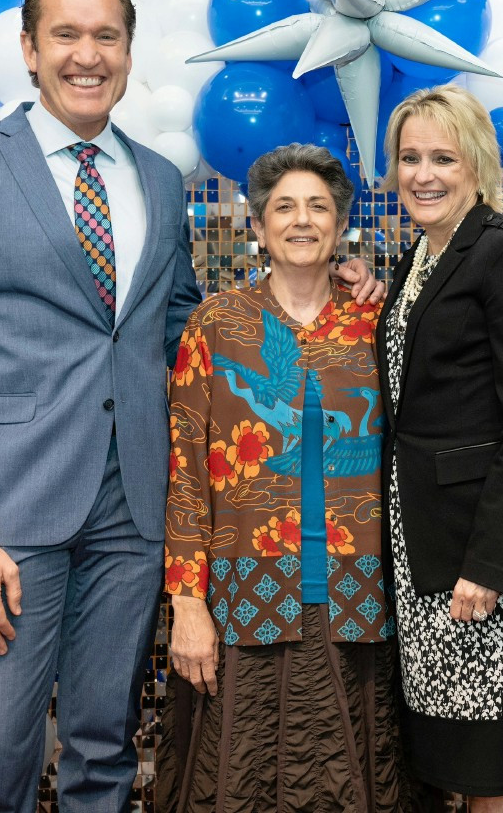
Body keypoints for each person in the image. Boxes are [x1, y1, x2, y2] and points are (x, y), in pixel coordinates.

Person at [0, 0, 378, 812]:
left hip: (133, 512)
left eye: (107, 36)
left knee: (105, 745)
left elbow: (186, 328)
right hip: (9, 516)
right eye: (67, 35)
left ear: (128, 49)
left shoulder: (157, 177)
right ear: (29, 49)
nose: (90, 54)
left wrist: (335, 280)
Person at [158, 144, 423, 812]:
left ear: (340, 226)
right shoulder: (216, 326)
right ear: (258, 225)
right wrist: (187, 604)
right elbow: (186, 469)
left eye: (318, 207)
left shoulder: (379, 320)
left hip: (358, 602)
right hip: (244, 603)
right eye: (284, 207)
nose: (301, 220)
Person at [378, 86, 503, 810]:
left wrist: (490, 564)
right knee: (460, 769)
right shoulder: (418, 260)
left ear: (477, 165)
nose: (423, 174)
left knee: (497, 774)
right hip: (425, 556)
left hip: (487, 564)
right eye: (409, 158)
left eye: (443, 157)